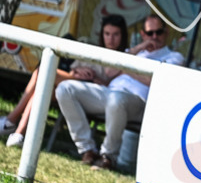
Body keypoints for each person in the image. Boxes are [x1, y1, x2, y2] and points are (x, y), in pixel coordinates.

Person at [55, 14, 184, 169]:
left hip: (139, 103)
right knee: (66, 89)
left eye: (159, 32)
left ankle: (108, 156)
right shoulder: (134, 51)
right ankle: (87, 150)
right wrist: (138, 49)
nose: (154, 37)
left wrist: (125, 69)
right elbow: (109, 71)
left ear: (167, 32)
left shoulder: (174, 57)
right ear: (143, 34)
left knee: (116, 99)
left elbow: (155, 81)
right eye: (150, 33)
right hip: (110, 95)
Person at [1, 15, 129, 148]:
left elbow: (116, 85)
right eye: (107, 34)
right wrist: (78, 72)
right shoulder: (95, 51)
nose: (111, 39)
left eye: (115, 34)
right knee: (45, 88)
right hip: (75, 84)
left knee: (43, 72)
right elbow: (72, 71)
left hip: (94, 94)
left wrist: (96, 79)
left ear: (123, 35)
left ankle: (11, 121)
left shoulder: (128, 58)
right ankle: (19, 133)